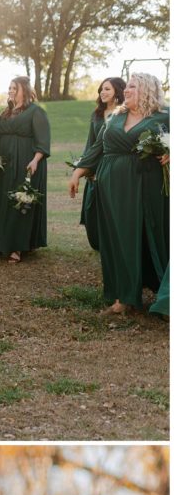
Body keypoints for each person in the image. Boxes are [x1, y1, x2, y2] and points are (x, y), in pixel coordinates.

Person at [69, 72, 169, 314]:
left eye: (133, 86)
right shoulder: (116, 115)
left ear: (146, 90)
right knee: (116, 239)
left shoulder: (164, 116)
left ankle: (161, 291)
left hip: (145, 186)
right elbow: (97, 147)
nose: (127, 90)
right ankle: (123, 297)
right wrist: (78, 173)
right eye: (128, 86)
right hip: (111, 187)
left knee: (151, 236)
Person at [0, 76, 50, 263]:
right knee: (4, 200)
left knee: (20, 200)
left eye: (14, 88)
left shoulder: (36, 112)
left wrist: (35, 160)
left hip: (25, 161)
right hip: (5, 164)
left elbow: (43, 141)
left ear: (24, 90)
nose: (10, 91)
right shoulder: (6, 112)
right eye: (9, 87)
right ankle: (3, 242)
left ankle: (17, 247)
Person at [79, 77, 126, 250]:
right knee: (92, 206)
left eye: (107, 89)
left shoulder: (125, 113)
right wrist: (85, 165)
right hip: (96, 165)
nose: (102, 92)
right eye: (101, 89)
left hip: (116, 164)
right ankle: (98, 241)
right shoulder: (97, 114)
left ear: (117, 92)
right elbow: (91, 142)